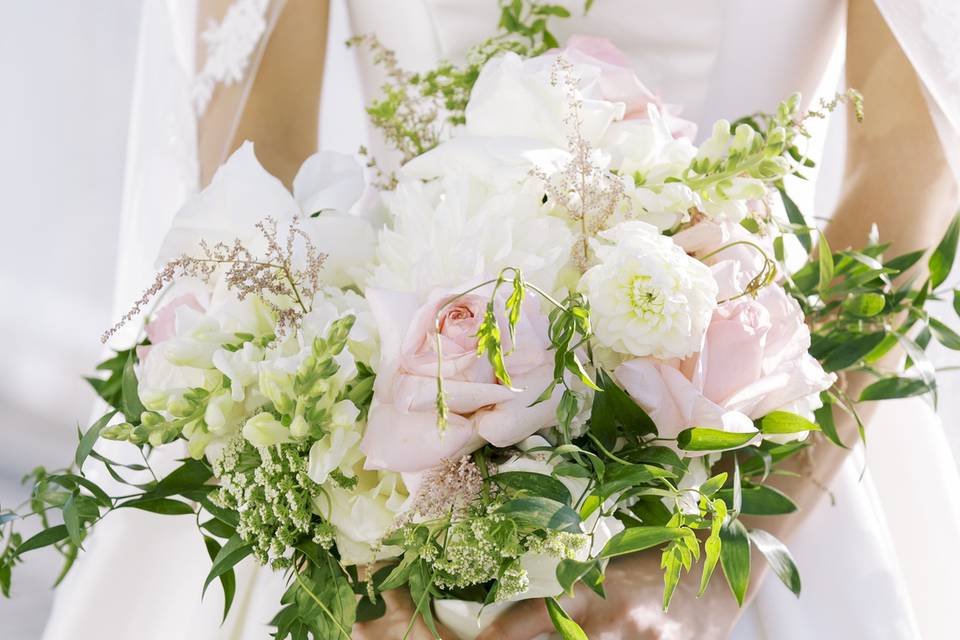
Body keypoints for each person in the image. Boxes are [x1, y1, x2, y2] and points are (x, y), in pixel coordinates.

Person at [43, 1, 960, 639]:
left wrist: (705, 578)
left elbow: (900, 200)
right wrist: (352, 552)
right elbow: (261, 158)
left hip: (740, 461)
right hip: (373, 444)